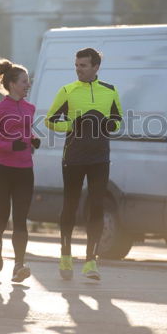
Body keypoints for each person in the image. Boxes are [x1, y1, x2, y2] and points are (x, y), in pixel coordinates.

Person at [45, 48, 122, 281]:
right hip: (74, 158)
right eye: (77, 65)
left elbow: (118, 122)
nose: (78, 69)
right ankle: (65, 257)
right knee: (70, 205)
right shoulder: (67, 91)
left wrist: (106, 125)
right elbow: (50, 121)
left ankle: (91, 262)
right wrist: (72, 124)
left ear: (96, 67)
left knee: (96, 206)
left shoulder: (110, 91)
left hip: (100, 158)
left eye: (83, 65)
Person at [0, 58, 40, 283]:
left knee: (20, 219)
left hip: (25, 169)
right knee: (2, 215)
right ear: (13, 84)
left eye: (28, 81)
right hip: (2, 169)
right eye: (25, 81)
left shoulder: (30, 108)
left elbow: (26, 132)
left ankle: (18, 265)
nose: (28, 85)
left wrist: (33, 139)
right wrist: (10, 146)